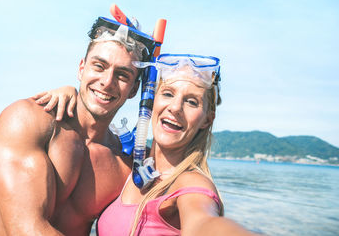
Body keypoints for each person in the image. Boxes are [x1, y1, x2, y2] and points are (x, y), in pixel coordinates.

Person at [0, 16, 157, 236]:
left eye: (122, 74)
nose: (107, 82)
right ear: (82, 69)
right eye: (99, 66)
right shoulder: (28, 120)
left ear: (134, 90)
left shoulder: (125, 166)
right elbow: (26, 229)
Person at [41, 54, 259, 235]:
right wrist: (72, 95)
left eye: (192, 101)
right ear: (152, 101)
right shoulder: (132, 164)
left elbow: (204, 224)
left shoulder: (191, 185)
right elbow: (91, 139)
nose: (175, 107)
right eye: (168, 94)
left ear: (207, 119)